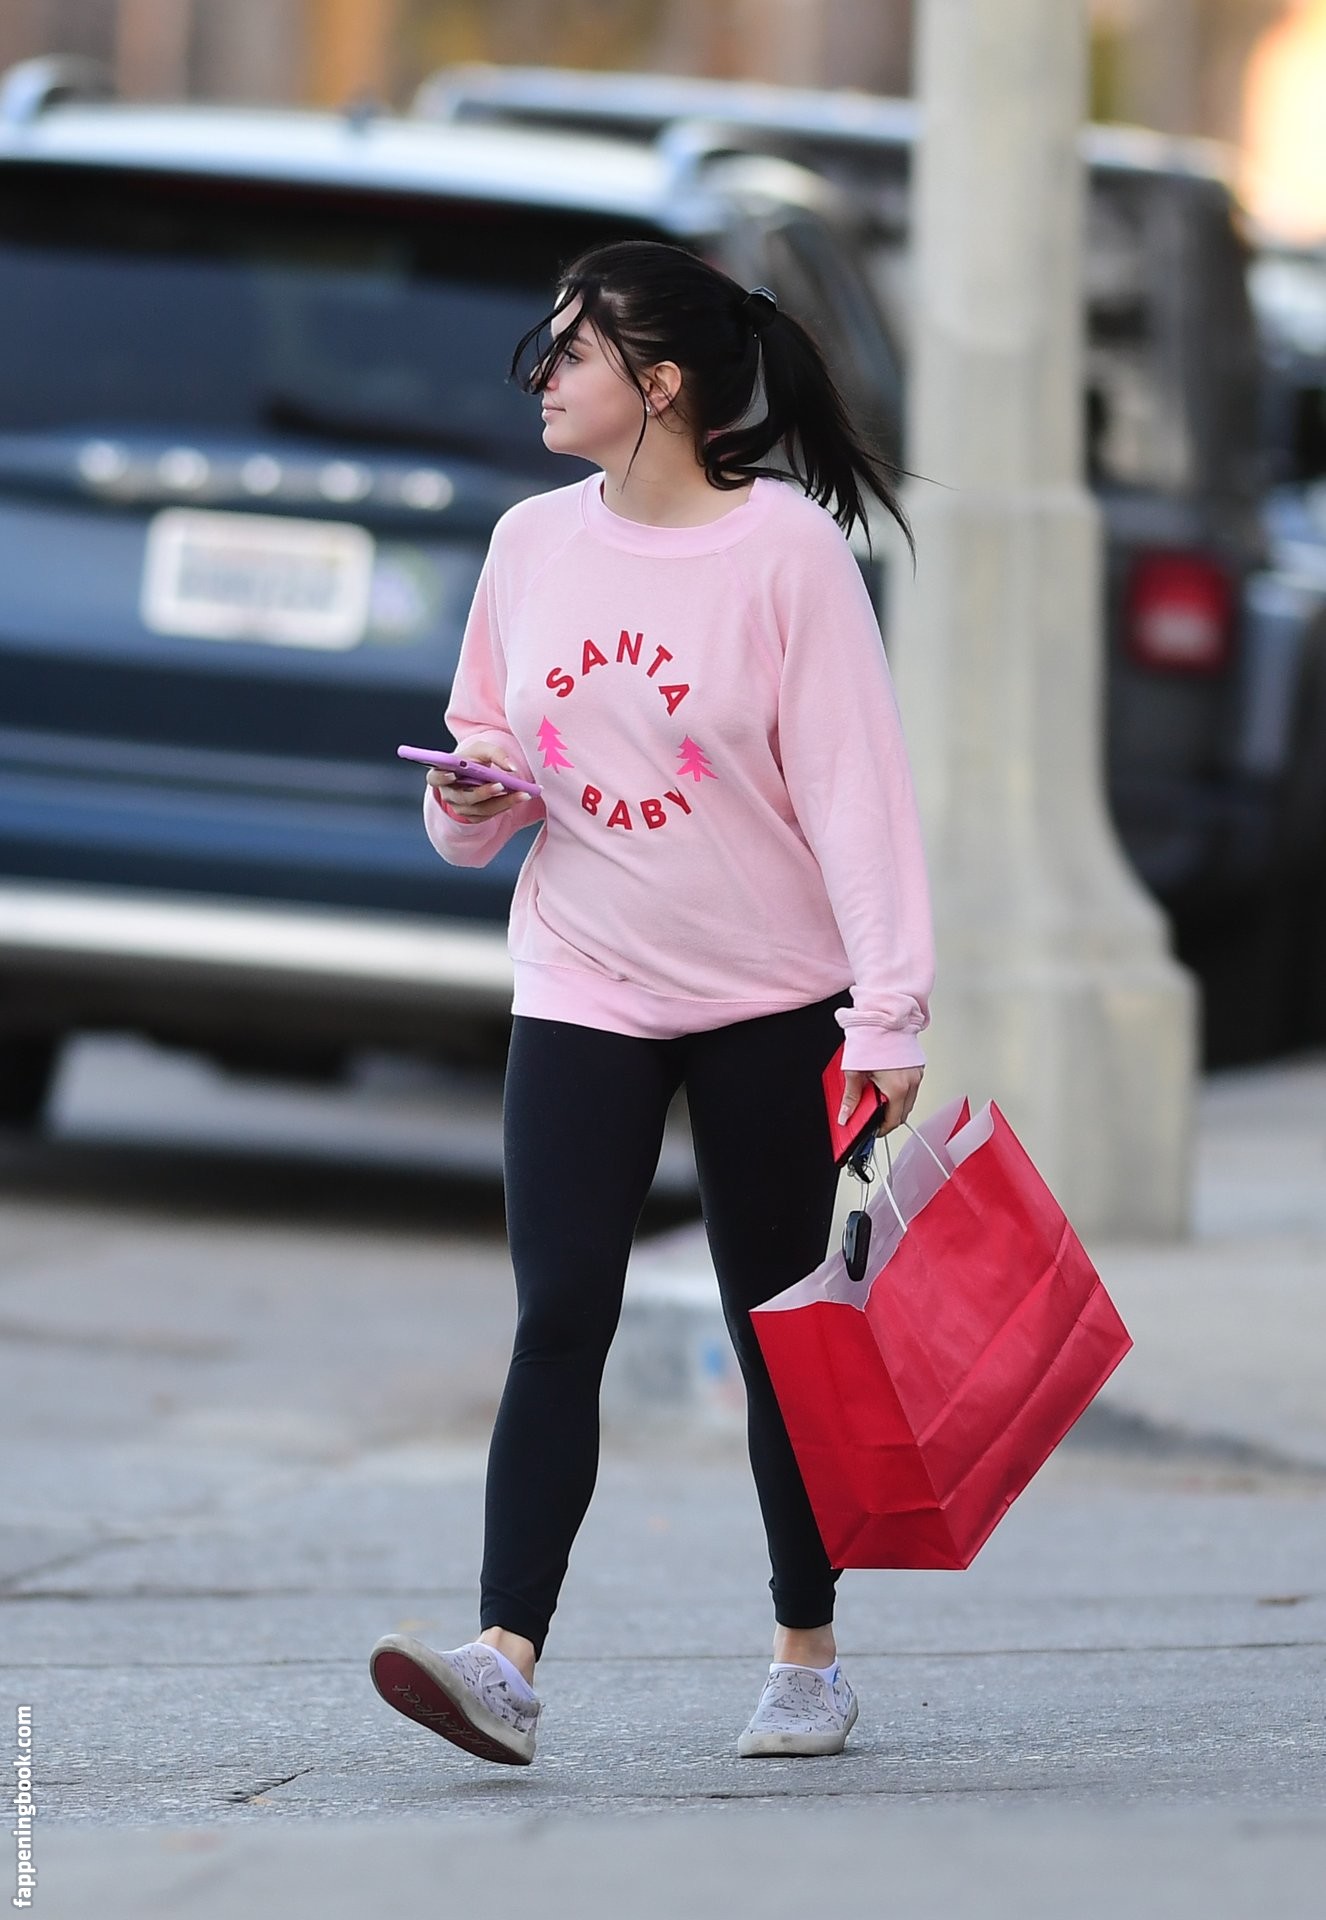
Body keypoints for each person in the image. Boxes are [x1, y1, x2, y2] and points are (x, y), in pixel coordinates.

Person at [369, 239, 934, 1766]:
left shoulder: (787, 553)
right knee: (559, 1309)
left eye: (571, 349)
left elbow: (860, 797)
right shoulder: (528, 545)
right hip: (583, 977)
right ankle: (503, 1659)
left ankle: (806, 1655)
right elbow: (482, 772)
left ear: (662, 383)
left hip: (769, 994)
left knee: (776, 1327)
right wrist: (473, 800)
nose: (542, 375)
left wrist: (887, 1014)